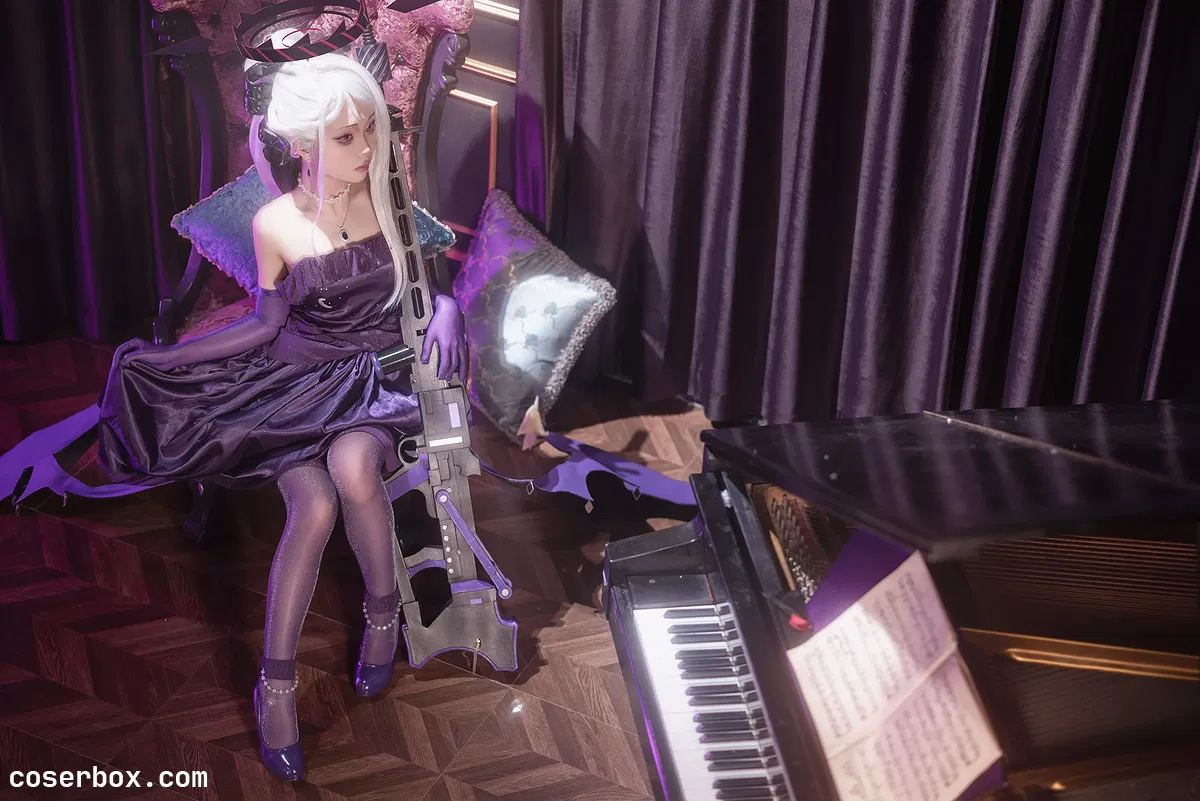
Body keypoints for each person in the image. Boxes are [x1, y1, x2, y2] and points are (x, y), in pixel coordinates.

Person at [22, 36, 464, 782]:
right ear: (303, 144)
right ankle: (276, 686)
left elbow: (429, 279)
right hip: (291, 384)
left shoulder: (386, 193)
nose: (367, 148)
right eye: (347, 136)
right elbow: (264, 325)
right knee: (313, 506)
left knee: (356, 467)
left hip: (372, 383)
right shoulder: (274, 225)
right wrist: (164, 358)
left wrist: (447, 309)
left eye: (370, 130)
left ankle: (382, 614)